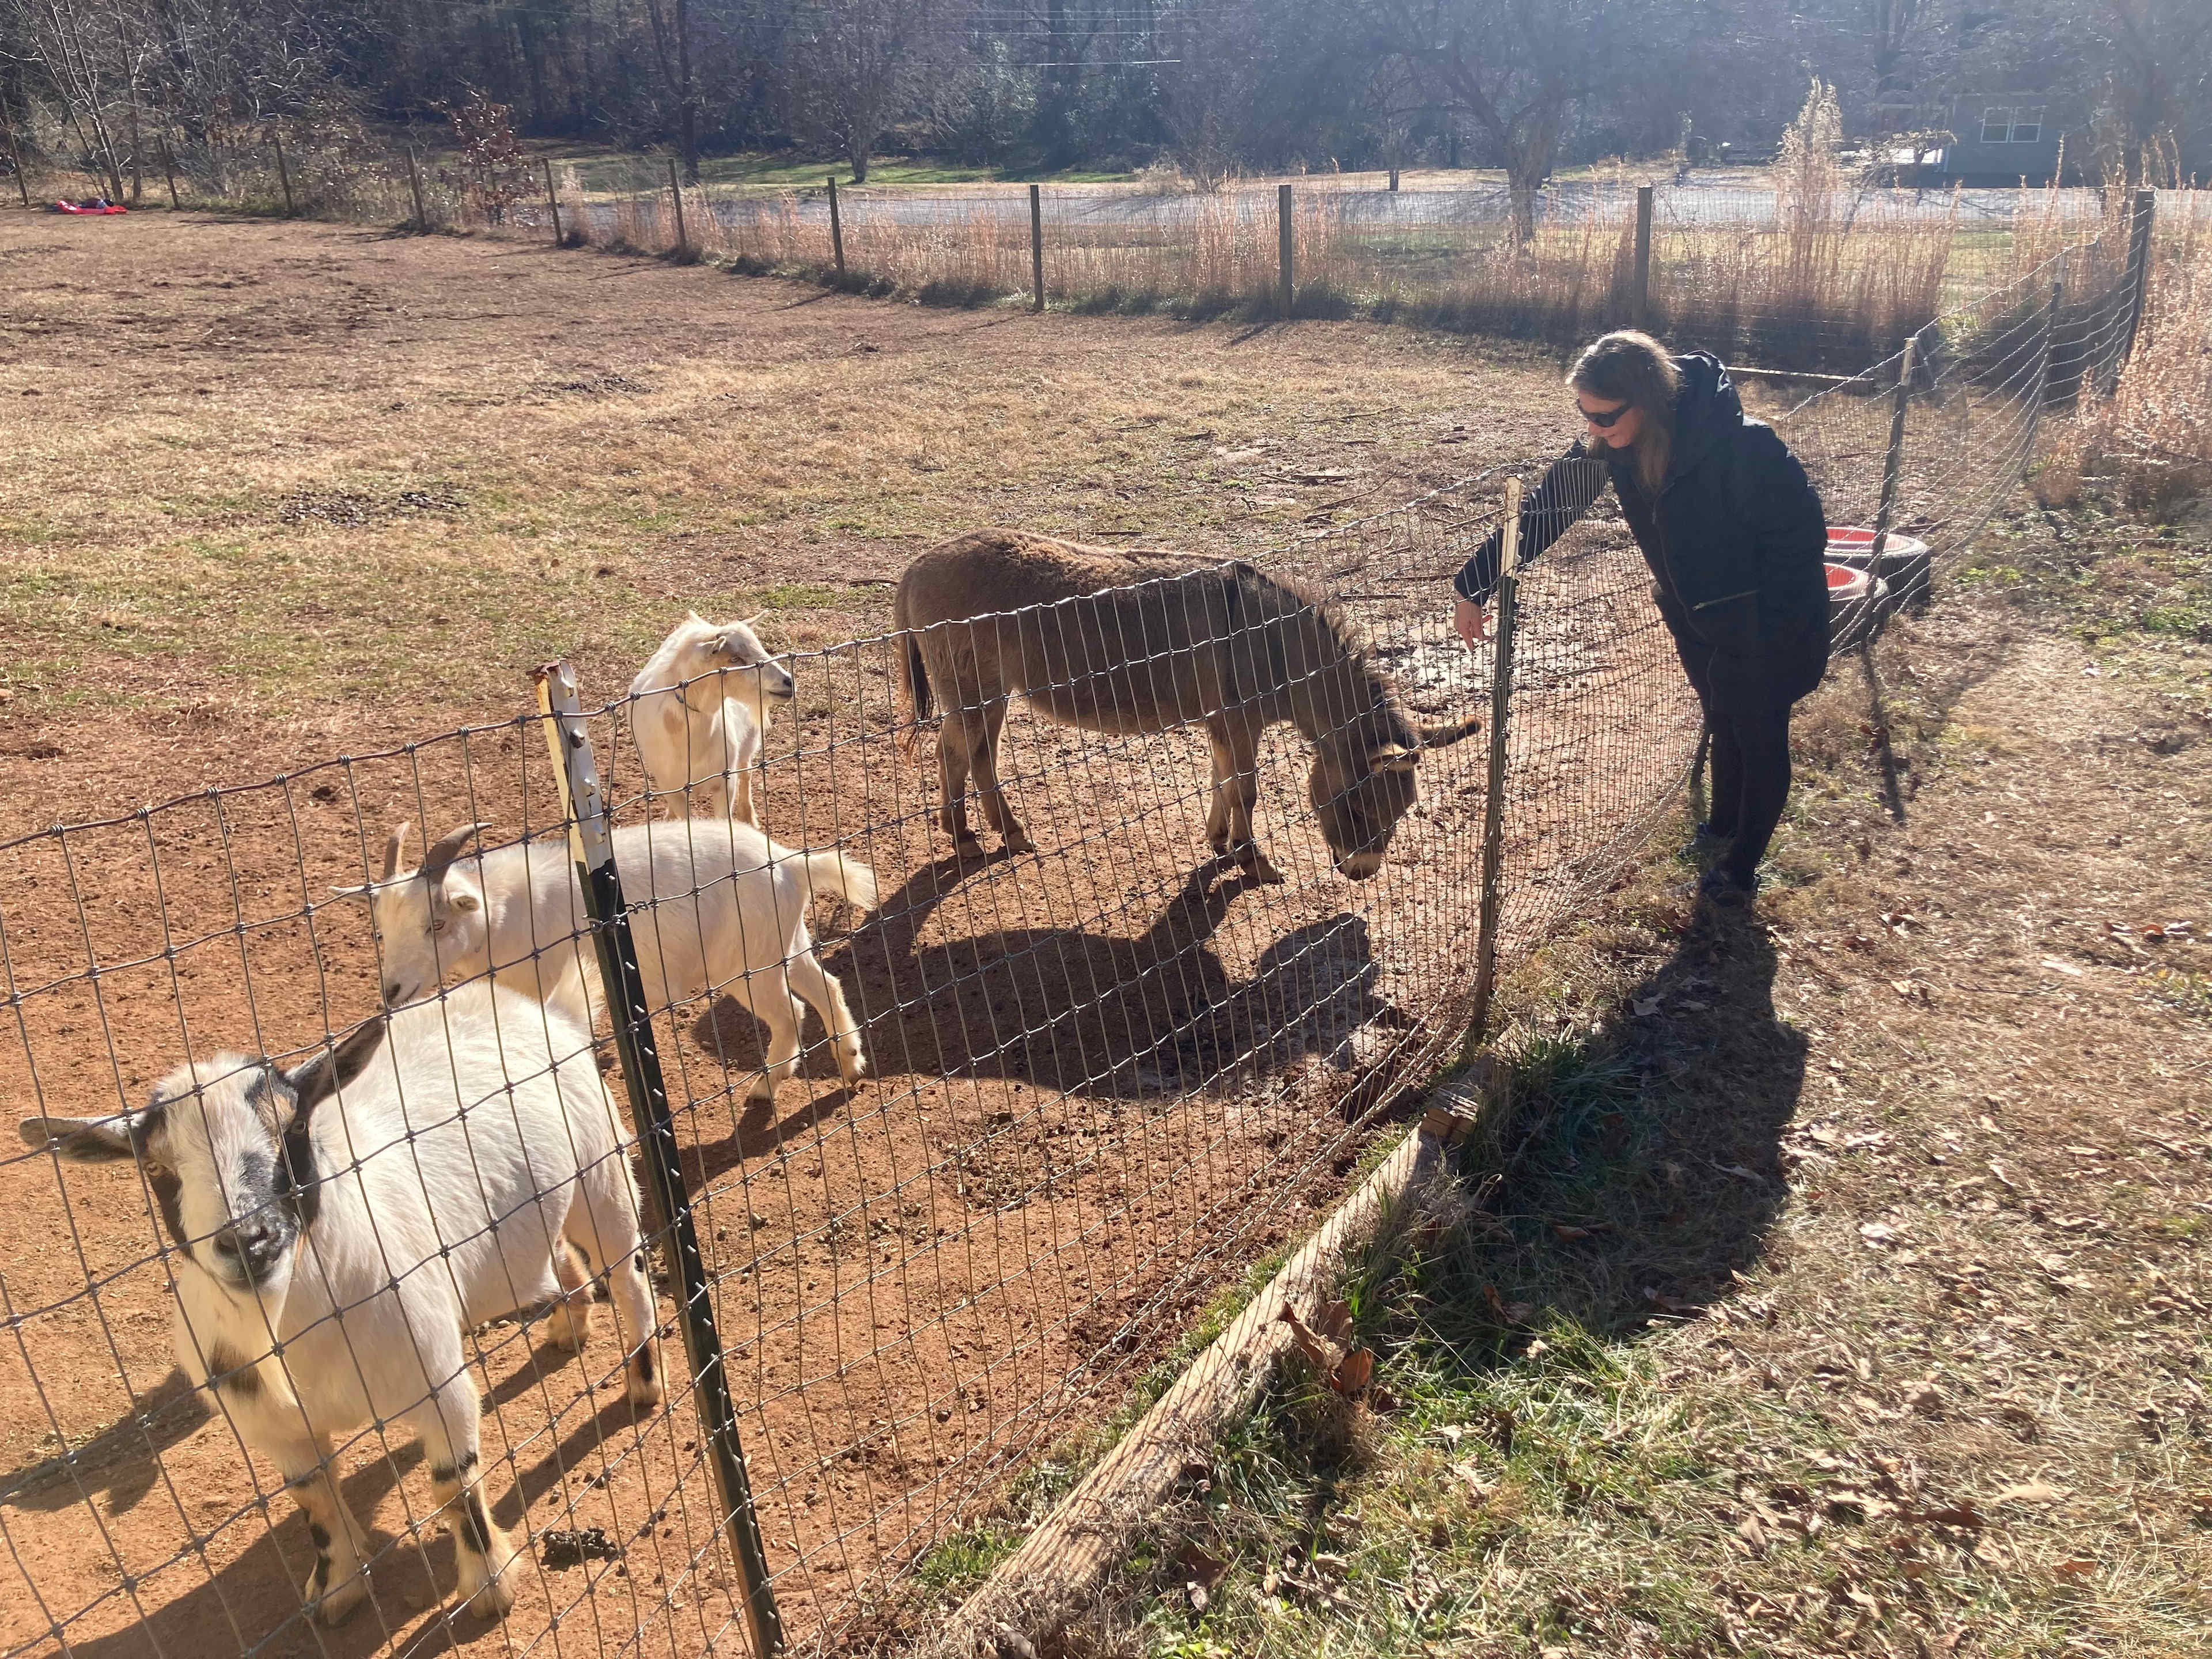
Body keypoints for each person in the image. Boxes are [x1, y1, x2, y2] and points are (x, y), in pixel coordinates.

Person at [1451, 330, 1829, 903]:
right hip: (1696, 617)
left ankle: (1741, 869)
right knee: (1722, 719)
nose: (1592, 429)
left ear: (1646, 400)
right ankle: (1720, 831)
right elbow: (1543, 514)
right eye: (1583, 413)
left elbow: (1802, 540)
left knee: (1760, 735)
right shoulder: (1613, 448)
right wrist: (1473, 584)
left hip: (1768, 624)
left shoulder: (1745, 448)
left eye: (1603, 416)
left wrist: (1760, 632)